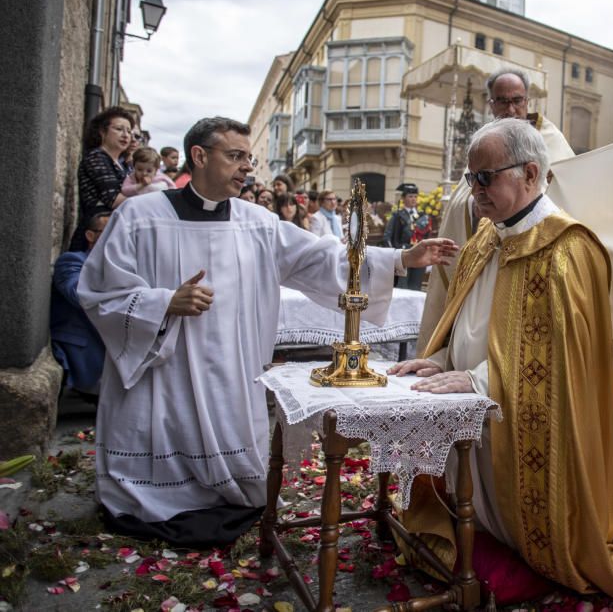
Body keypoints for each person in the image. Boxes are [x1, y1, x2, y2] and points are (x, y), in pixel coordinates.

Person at [77, 116, 457, 546]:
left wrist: (402, 260)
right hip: (163, 371)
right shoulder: (139, 217)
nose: (246, 168)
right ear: (199, 156)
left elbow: (322, 259)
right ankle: (157, 496)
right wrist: (163, 303)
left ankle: (225, 489)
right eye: (235, 156)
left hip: (229, 372)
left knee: (238, 475)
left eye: (248, 158)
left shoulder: (257, 222)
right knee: (163, 443)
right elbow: (100, 292)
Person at [390, 118, 613, 597]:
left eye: (485, 178)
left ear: (530, 174)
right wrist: (442, 359)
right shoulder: (486, 237)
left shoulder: (568, 249)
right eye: (471, 179)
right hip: (472, 411)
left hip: (520, 420)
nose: (475, 191)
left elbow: (562, 359)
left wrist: (479, 381)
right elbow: (465, 317)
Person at [416, 68, 576, 351]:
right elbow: (461, 200)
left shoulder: (551, 141)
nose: (511, 108)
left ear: (528, 101)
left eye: (518, 100)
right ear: (490, 104)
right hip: (487, 253)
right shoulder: (489, 142)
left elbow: (572, 191)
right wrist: (476, 202)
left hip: (536, 257)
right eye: (502, 101)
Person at [51, 211, 110, 400]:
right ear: (90, 235)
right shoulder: (73, 261)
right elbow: (79, 294)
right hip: (85, 350)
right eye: (106, 231)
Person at [69, 106, 134, 250]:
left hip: (116, 231)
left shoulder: (125, 165)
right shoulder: (96, 157)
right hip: (97, 234)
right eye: (118, 129)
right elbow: (113, 199)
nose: (125, 135)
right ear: (102, 132)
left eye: (129, 131)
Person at [384, 183, 424, 290]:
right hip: (403, 255)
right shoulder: (397, 215)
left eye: (415, 196)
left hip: (419, 255)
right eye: (410, 196)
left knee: (415, 287)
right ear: (403, 198)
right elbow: (387, 236)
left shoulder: (422, 216)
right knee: (402, 288)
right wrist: (393, 255)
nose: (413, 199)